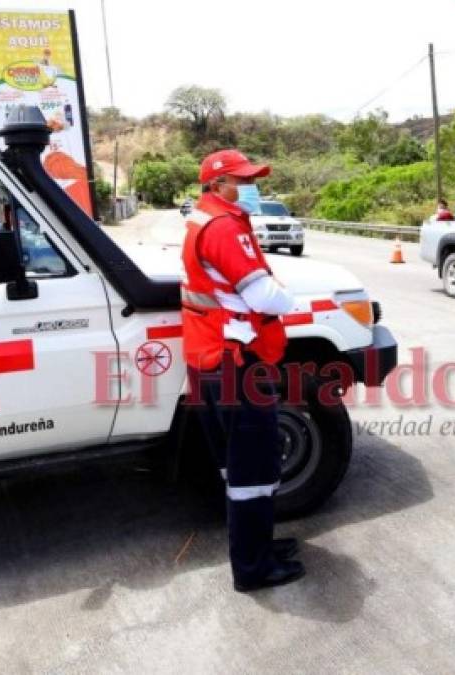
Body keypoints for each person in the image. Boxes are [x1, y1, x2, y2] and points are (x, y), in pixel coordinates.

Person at [181, 149, 304, 593]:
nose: (250, 187)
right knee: (253, 471)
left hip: (211, 360)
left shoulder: (203, 219)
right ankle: (253, 569)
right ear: (217, 185)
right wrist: (293, 300)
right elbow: (264, 296)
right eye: (242, 180)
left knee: (240, 469)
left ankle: (259, 548)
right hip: (235, 364)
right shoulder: (223, 227)